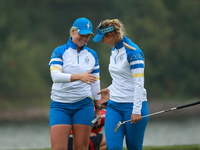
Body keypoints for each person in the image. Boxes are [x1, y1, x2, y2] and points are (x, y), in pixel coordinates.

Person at [93, 19, 149, 150]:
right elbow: (120, 79)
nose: (102, 41)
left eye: (103, 38)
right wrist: (110, 89)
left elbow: (139, 83)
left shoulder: (133, 52)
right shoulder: (114, 51)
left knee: (134, 147)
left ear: (111, 35)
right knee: (113, 147)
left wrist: (136, 110)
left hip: (132, 106)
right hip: (114, 105)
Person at [49, 17, 101, 150]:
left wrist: (98, 109)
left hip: (84, 105)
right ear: (73, 31)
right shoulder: (59, 51)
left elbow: (95, 83)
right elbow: (56, 76)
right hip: (60, 105)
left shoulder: (92, 54)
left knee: (81, 148)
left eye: (88, 35)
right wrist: (80, 77)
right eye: (82, 34)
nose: (84, 38)